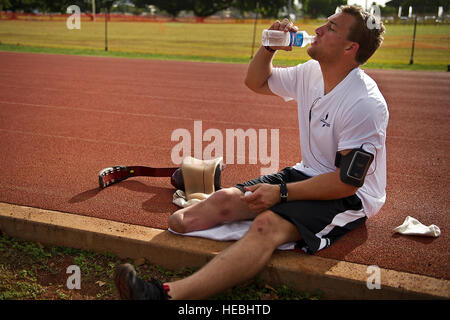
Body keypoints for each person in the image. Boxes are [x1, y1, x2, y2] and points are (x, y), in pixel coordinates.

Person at [114, 5, 388, 300]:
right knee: (187, 219)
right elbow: (255, 82)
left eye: (331, 28)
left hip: (349, 197)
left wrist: (281, 194)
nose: (319, 29)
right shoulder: (312, 73)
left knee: (265, 225)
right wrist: (268, 47)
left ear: (350, 47)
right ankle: (229, 203)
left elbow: (346, 182)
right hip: (307, 173)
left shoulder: (365, 104)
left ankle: (165, 295)